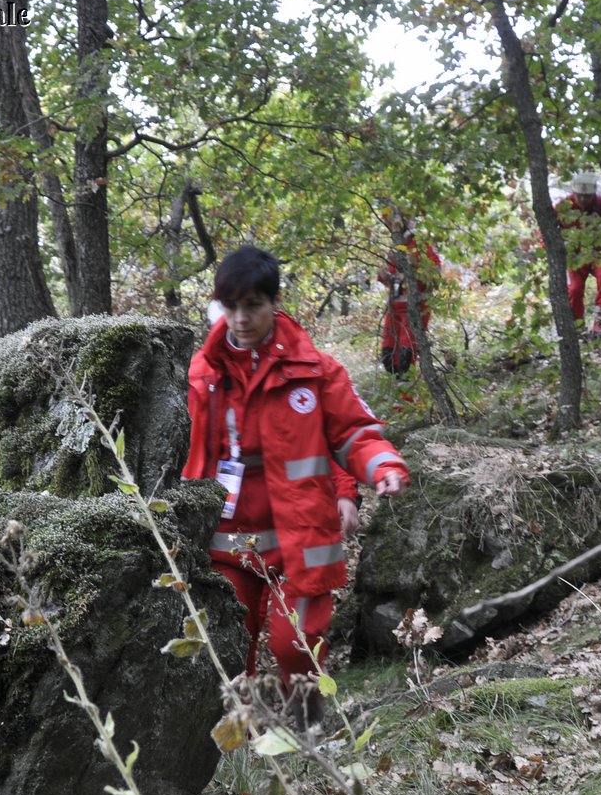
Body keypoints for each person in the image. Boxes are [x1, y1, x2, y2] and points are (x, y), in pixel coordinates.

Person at [183, 246, 411, 720]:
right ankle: (233, 738)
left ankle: (309, 729)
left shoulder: (318, 372)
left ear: (274, 304)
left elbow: (353, 433)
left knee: (296, 645)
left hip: (301, 537)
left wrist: (382, 468)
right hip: (228, 538)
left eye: (253, 306)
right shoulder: (203, 373)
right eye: (231, 308)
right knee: (228, 642)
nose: (241, 319)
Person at [556, 170, 601, 340]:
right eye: (580, 196)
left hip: (598, 252)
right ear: (574, 192)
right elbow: (544, 232)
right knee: (574, 289)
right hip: (574, 256)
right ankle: (578, 328)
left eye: (587, 196)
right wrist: (556, 250)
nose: (583, 200)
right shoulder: (563, 207)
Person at [376, 217, 443, 376]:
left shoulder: (422, 245)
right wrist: (384, 275)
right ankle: (397, 396)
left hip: (415, 308)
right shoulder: (394, 249)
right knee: (389, 358)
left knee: (406, 357)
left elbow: (435, 274)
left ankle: (407, 397)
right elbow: (388, 277)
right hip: (394, 310)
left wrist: (412, 272)